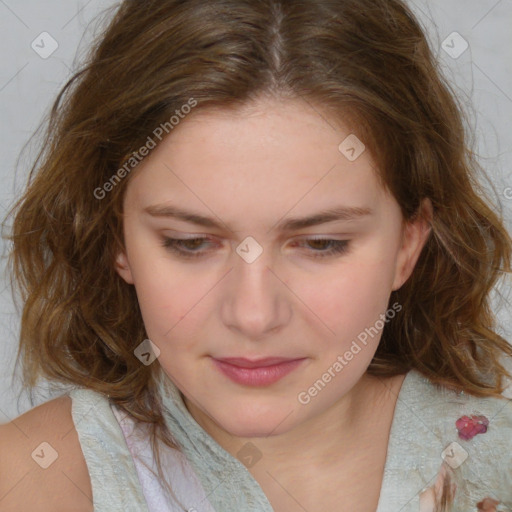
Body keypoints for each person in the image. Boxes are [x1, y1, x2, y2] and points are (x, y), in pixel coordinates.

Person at [0, 0, 511, 511]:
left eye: (321, 244)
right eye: (190, 243)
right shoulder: (26, 482)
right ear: (117, 239)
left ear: (407, 244)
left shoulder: (497, 462)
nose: (253, 315)